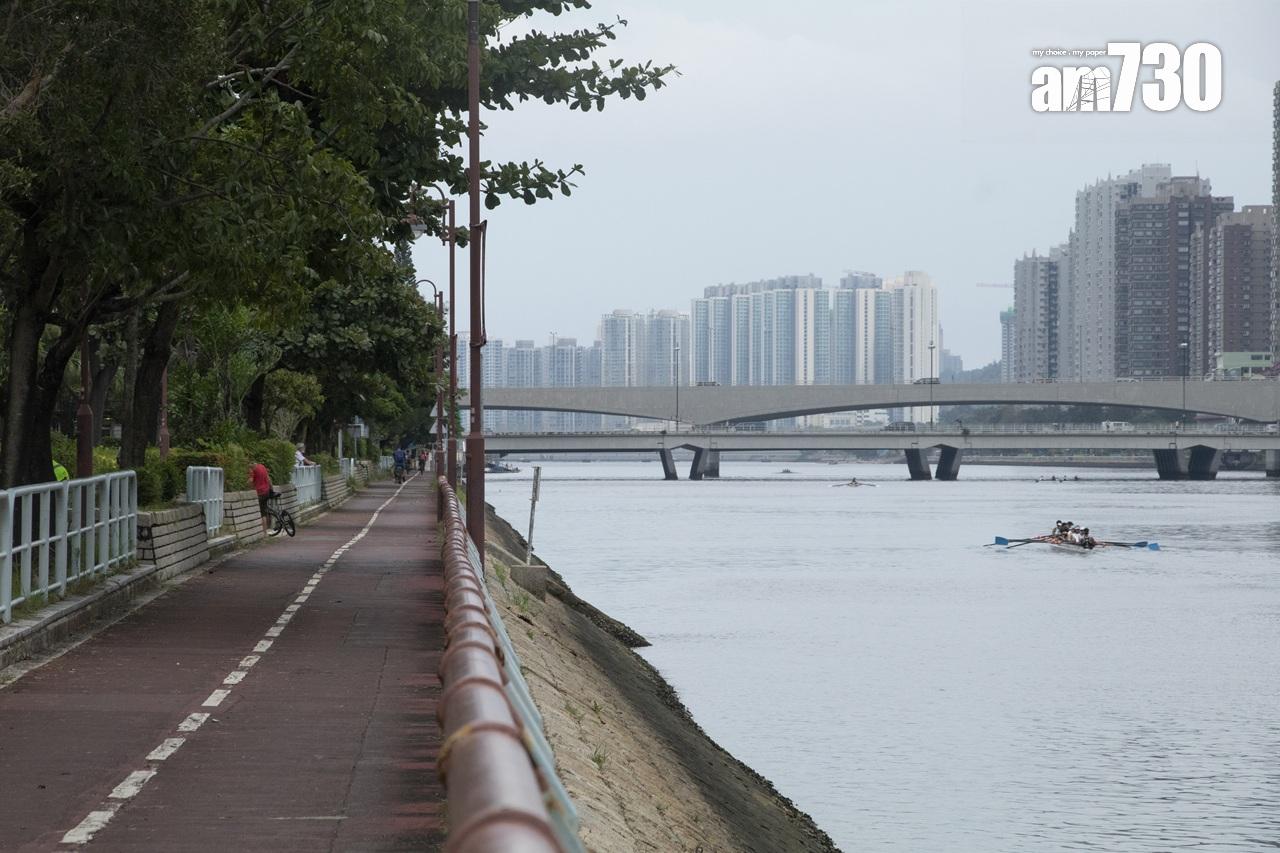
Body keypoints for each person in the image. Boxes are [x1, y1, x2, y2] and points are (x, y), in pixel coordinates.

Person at [249, 461, 273, 535]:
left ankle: (264, 533)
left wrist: (246, 485)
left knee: (262, 513)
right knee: (265, 510)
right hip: (267, 491)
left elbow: (251, 480)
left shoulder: (253, 470)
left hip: (260, 493)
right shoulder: (262, 466)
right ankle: (268, 527)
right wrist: (271, 488)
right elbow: (268, 479)